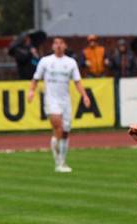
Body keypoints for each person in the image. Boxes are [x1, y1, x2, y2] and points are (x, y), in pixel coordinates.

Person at [27, 37, 91, 173]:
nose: (58, 46)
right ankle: (59, 163)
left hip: (65, 101)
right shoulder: (45, 61)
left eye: (61, 43)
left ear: (65, 46)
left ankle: (62, 159)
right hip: (51, 100)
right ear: (52, 46)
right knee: (59, 127)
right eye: (56, 43)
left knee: (65, 132)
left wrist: (84, 96)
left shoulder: (71, 62)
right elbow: (36, 78)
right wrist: (31, 91)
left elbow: (77, 81)